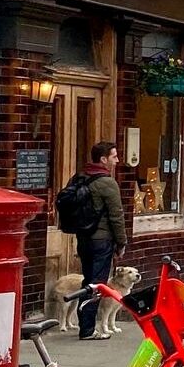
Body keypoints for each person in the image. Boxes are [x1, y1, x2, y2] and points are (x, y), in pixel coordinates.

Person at [76, 141, 127, 340]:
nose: (117, 160)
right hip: (102, 240)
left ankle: (84, 324)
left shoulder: (80, 177)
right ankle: (88, 329)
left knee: (88, 281)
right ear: (104, 159)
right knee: (97, 284)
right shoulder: (107, 182)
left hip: (83, 238)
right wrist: (121, 242)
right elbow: (116, 215)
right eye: (114, 157)